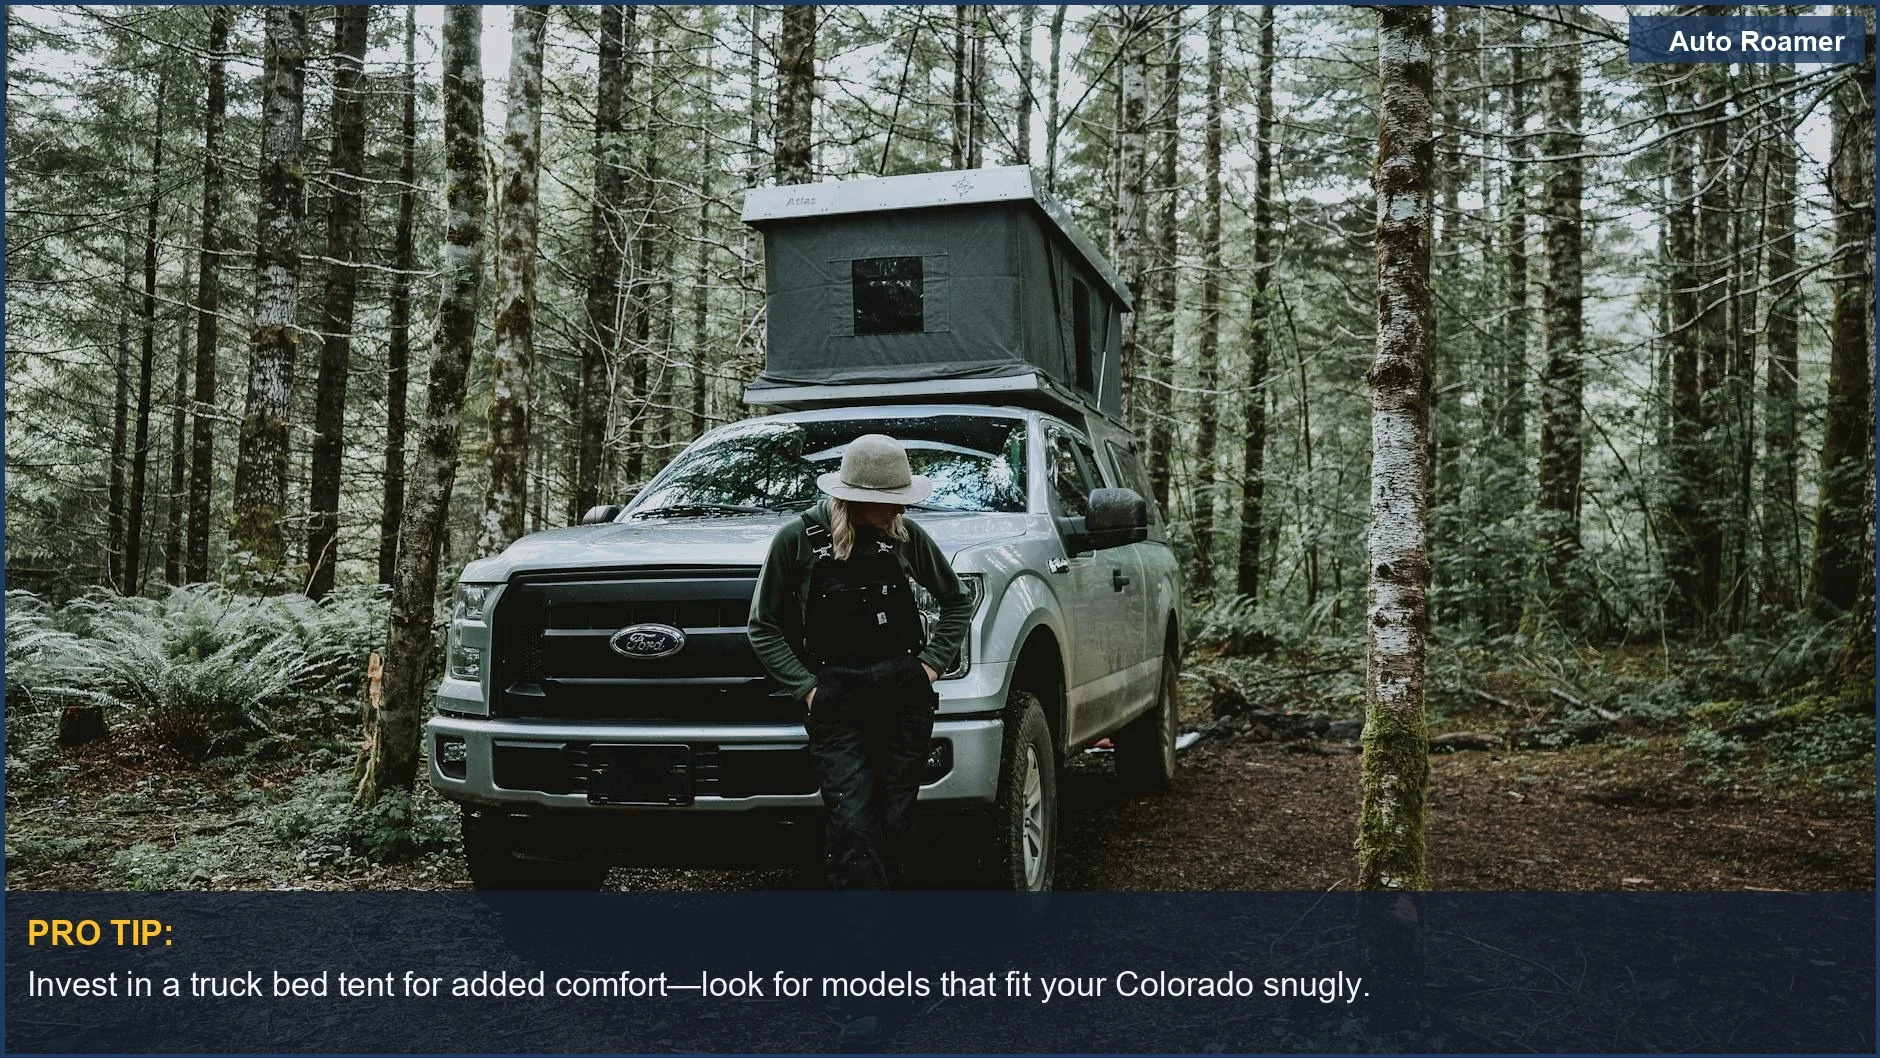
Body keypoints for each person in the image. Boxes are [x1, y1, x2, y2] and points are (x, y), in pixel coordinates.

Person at [748, 433, 974, 891]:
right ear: (854, 499)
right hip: (837, 701)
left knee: (896, 819)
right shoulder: (798, 540)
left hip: (904, 698)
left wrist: (930, 665)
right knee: (853, 825)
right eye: (890, 501)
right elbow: (763, 625)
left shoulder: (904, 535)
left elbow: (957, 601)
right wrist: (808, 689)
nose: (900, 510)